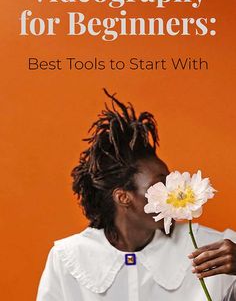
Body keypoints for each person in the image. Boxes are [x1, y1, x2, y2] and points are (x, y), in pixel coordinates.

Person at [36, 88, 236, 300]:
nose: (174, 191)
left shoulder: (217, 248)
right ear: (123, 197)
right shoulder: (67, 257)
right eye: (160, 184)